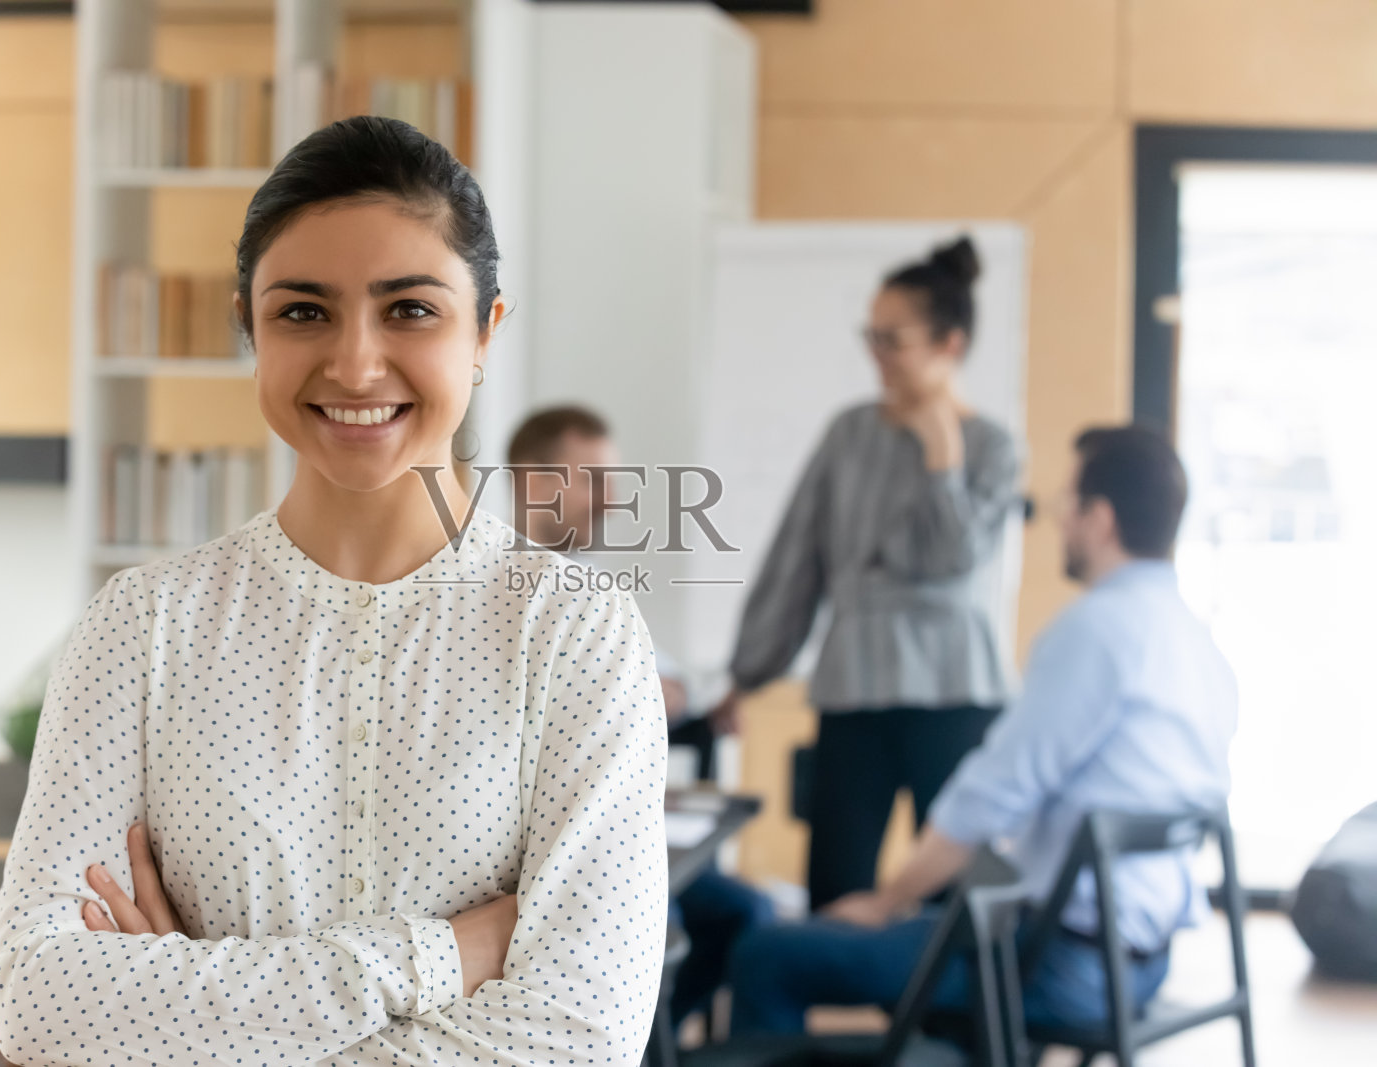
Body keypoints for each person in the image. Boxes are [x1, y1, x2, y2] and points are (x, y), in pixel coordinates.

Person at [0, 117, 669, 1067]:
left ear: (487, 330)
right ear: (251, 330)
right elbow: (40, 1001)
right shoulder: (142, 627)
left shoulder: (574, 632)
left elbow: (580, 1038)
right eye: (303, 311)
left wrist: (192, 1017)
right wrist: (442, 954)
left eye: (410, 310)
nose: (354, 364)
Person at [728, 425, 1237, 1033]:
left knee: (767, 956)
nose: (1058, 521)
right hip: (1143, 963)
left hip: (1062, 964)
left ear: (1100, 519)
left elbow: (991, 797)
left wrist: (884, 903)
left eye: (1066, 503)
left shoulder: (1096, 632)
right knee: (935, 947)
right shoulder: (1195, 641)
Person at [712, 236, 1022, 912]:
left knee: (953, 891)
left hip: (957, 688)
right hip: (853, 684)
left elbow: (957, 560)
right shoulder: (849, 433)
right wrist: (749, 672)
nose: (876, 355)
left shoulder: (993, 448)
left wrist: (943, 455)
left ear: (951, 343)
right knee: (835, 880)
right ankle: (826, 1014)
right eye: (870, 336)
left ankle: (942, 1022)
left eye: (893, 338)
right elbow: (796, 559)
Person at [506, 405, 772, 1031]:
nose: (614, 498)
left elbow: (674, 683)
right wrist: (661, 692)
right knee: (661, 927)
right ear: (538, 484)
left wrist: (697, 693)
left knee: (750, 916)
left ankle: (658, 1043)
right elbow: (645, 692)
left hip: (625, 842)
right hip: (559, 865)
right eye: (595, 479)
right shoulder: (500, 591)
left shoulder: (595, 588)